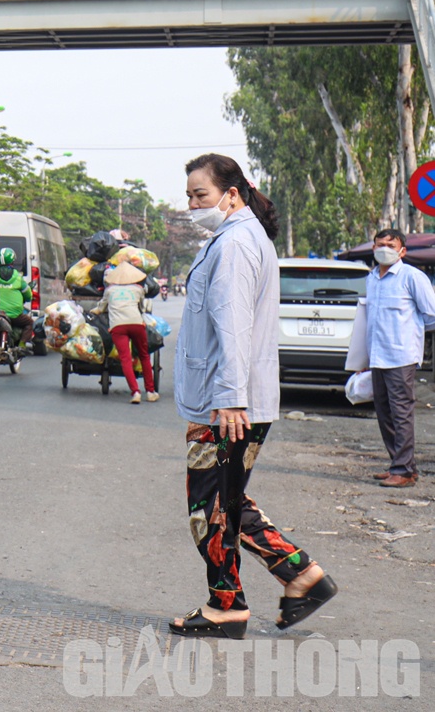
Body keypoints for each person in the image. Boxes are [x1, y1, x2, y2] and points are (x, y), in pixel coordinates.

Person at [167, 153, 335, 638]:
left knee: (209, 507)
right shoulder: (234, 238)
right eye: (190, 197)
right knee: (228, 499)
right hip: (229, 399)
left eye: (201, 195)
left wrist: (230, 398)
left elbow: (233, 325)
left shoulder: (237, 243)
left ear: (232, 194)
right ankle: (300, 575)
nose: (194, 204)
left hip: (228, 404)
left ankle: (228, 604)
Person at [357, 228, 435, 488]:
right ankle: (402, 466)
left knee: (401, 413)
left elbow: (431, 313)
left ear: (402, 250)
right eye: (380, 244)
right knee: (384, 412)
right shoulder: (372, 279)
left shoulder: (412, 277)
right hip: (377, 356)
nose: (385, 248)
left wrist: (410, 332)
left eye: (391, 244)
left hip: (401, 356)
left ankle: (402, 470)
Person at [99, 263, 156, 403]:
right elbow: (141, 307)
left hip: (118, 326)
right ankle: (150, 391)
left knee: (125, 359)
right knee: (144, 355)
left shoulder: (109, 290)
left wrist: (96, 310)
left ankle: (135, 392)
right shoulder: (138, 289)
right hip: (136, 324)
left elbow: (101, 307)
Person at [0, 247, 32, 350]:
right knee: (30, 323)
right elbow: (28, 295)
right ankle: (22, 345)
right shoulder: (18, 277)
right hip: (15, 314)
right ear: (13, 260)